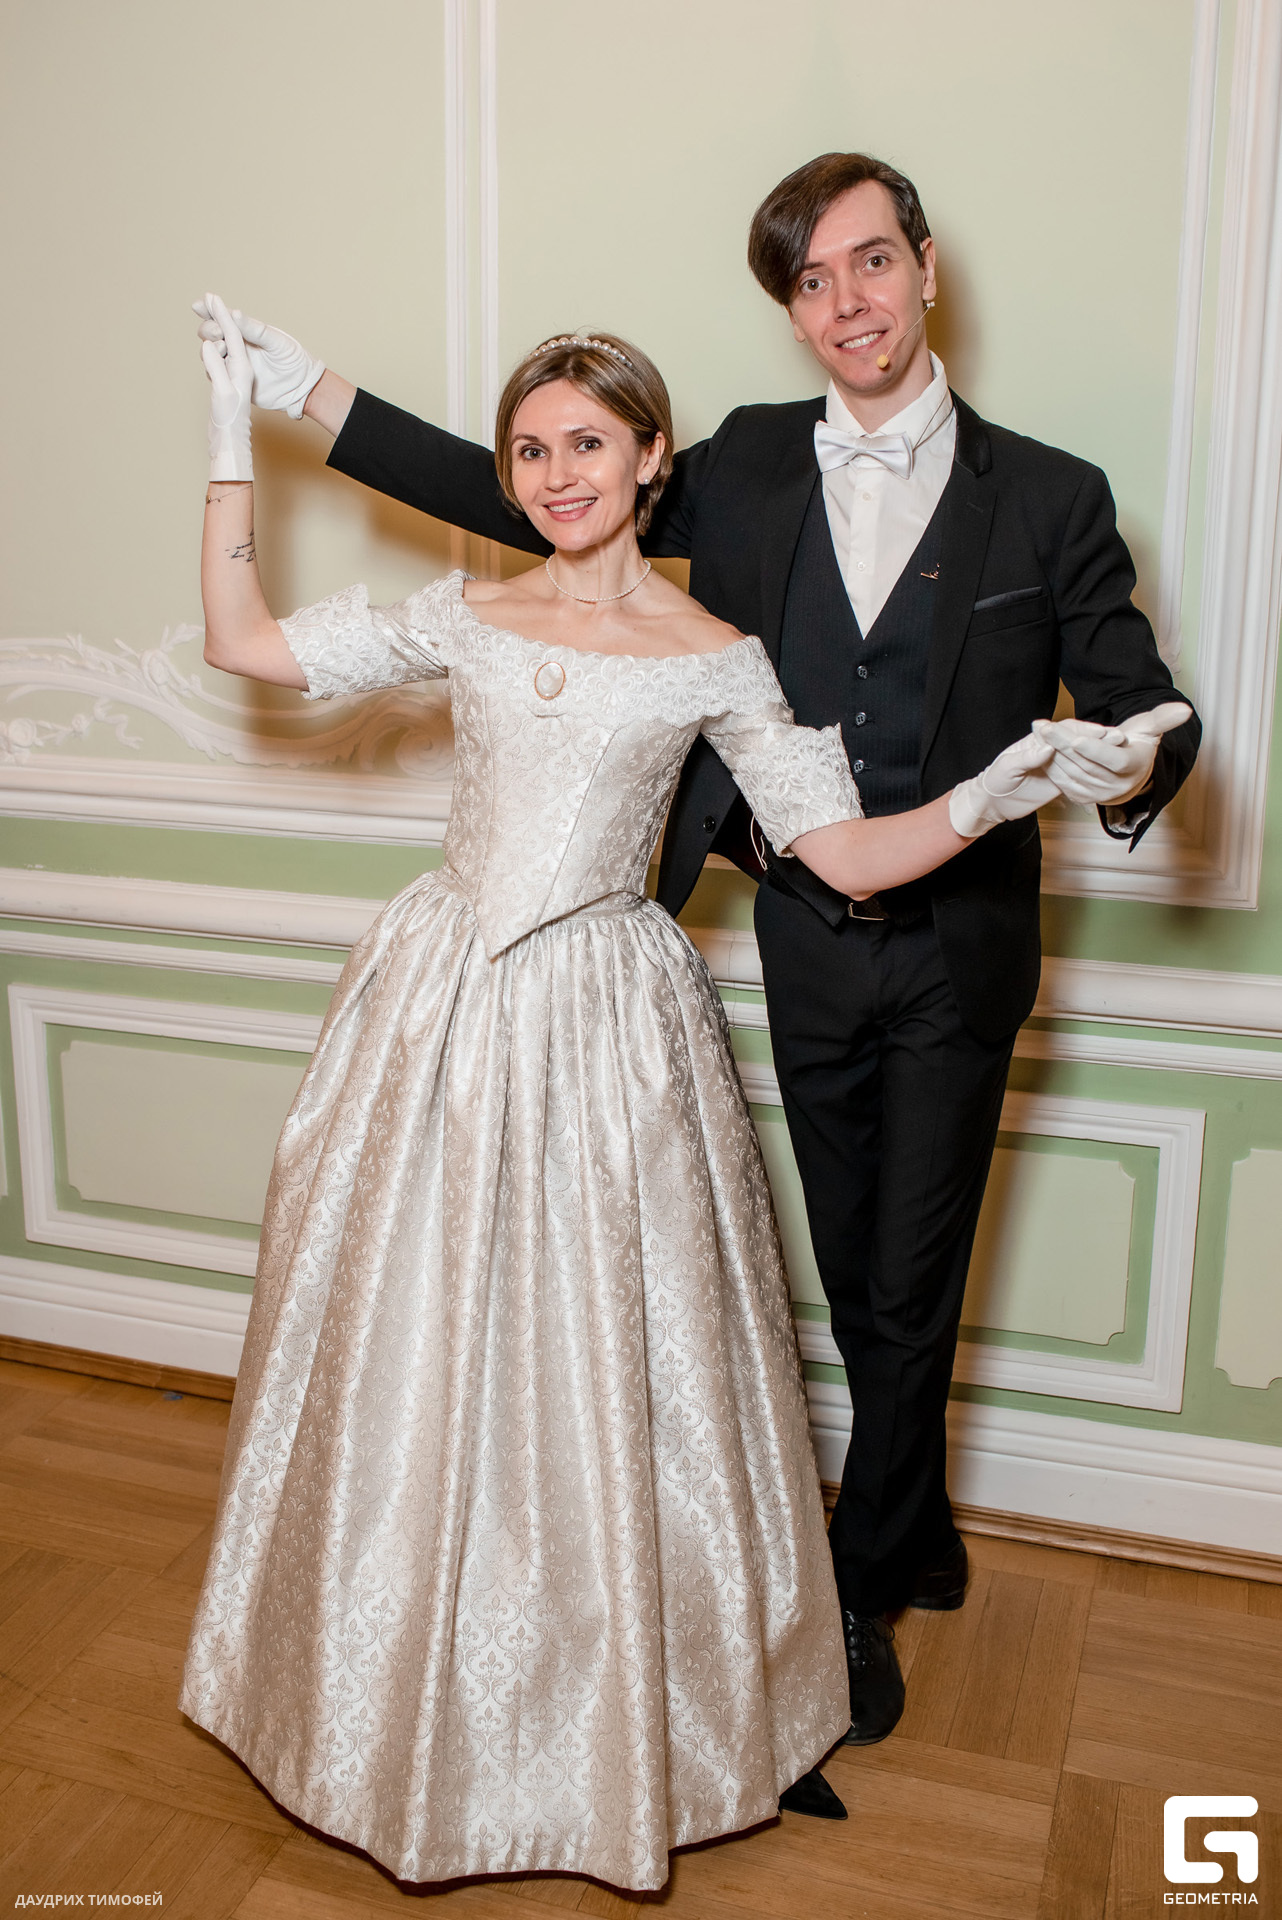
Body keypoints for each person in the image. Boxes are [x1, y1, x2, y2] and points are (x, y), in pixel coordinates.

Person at [194, 149, 1201, 1748]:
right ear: (790, 309)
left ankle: (864, 1584)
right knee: (847, 1264)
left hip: (956, 941)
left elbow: (1132, 688)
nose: (844, 301)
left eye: (869, 263)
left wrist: (1119, 759)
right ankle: (903, 1531)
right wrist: (298, 395)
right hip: (800, 925)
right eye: (810, 279)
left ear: (922, 269)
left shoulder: (1051, 493)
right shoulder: (737, 464)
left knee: (910, 1278)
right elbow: (525, 484)